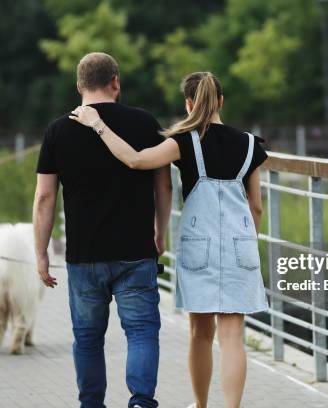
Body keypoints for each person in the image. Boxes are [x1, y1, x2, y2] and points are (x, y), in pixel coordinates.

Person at [70, 71, 269, 408]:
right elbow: (257, 207)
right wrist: (248, 239)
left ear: (188, 103)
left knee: (200, 333)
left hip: (198, 247)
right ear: (220, 101)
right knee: (233, 335)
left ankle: (201, 405)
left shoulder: (184, 141)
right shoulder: (250, 144)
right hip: (241, 245)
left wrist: (97, 125)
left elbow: (135, 160)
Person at [33, 52, 172, 408]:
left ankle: (91, 404)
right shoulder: (145, 123)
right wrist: (161, 231)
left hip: (83, 255)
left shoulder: (57, 130)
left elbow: (45, 198)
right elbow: (164, 186)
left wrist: (41, 254)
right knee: (142, 332)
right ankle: (141, 401)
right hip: (135, 250)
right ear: (116, 82)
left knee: (88, 338)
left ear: (79, 86)